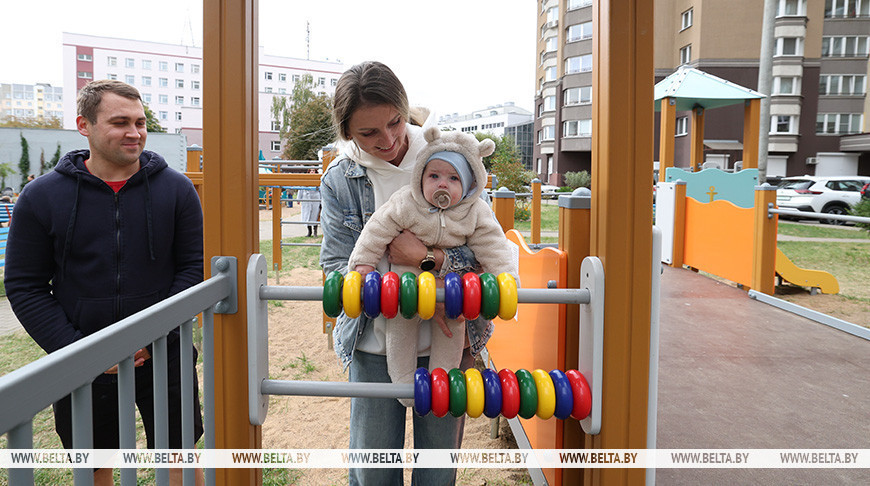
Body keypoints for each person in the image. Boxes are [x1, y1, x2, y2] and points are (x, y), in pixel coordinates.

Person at [4, 79, 204, 486]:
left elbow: (192, 268)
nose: (134, 133)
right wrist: (81, 350)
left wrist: (153, 336)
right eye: (119, 122)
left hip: (164, 352)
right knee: (95, 468)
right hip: (81, 357)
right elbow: (25, 285)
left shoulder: (177, 190)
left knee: (179, 459)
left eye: (140, 122)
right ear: (84, 125)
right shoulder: (41, 197)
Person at [320, 61, 499, 485]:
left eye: (395, 122)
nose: (388, 140)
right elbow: (336, 267)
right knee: (373, 470)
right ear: (347, 132)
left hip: (450, 334)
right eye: (368, 132)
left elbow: (487, 250)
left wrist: (430, 263)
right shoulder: (341, 179)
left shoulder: (449, 157)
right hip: (373, 341)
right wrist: (411, 297)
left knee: (437, 470)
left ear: (405, 110)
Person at [348, 127, 518, 407]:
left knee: (452, 332)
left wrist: (506, 278)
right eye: (434, 176)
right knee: (400, 329)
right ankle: (403, 384)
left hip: (451, 292)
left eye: (453, 178)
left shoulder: (475, 212)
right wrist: (363, 264)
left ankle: (443, 381)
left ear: (469, 185)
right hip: (406, 290)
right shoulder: (406, 201)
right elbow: (376, 230)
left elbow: (493, 246)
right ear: (420, 177)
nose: (442, 185)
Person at [299, 167, 321, 237]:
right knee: (307, 216)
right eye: (310, 171)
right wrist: (299, 199)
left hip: (315, 199)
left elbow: (321, 190)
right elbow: (301, 188)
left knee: (315, 215)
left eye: (313, 170)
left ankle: (315, 232)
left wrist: (322, 201)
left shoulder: (318, 179)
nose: (312, 172)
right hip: (306, 199)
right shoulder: (305, 179)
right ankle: (309, 232)